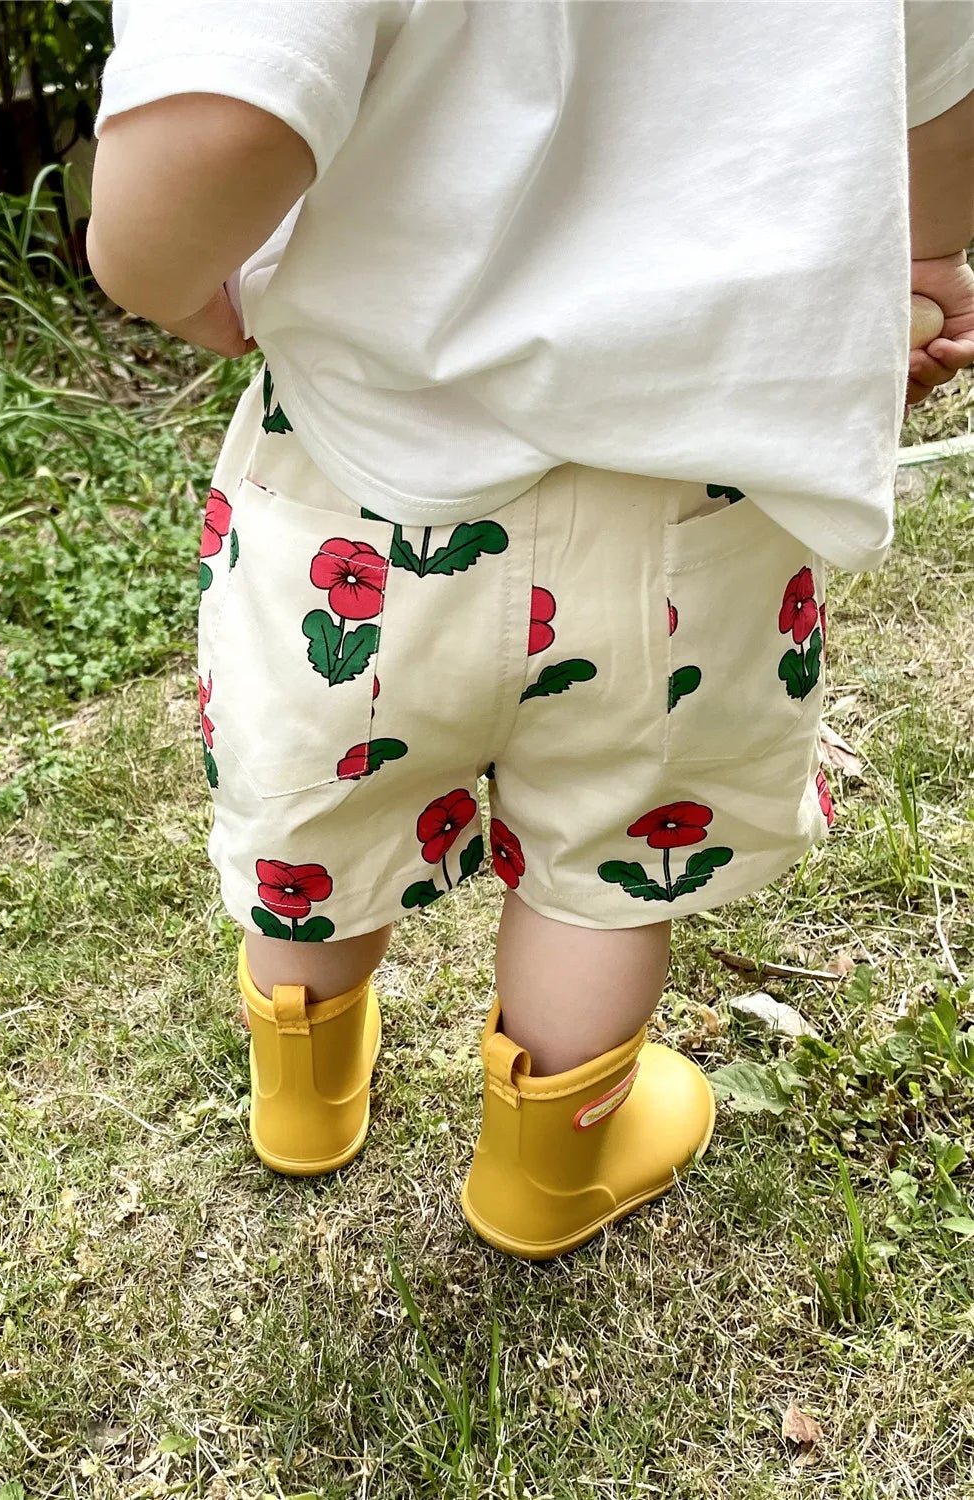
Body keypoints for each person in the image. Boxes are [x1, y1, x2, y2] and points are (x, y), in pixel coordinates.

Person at [85, 1, 974, 1258]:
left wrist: (167, 283)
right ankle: (550, 1169)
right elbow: (935, 83)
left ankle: (305, 1092)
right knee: (609, 865)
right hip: (682, 500)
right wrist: (929, 267)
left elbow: (221, 118)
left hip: (353, 486)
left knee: (312, 817)